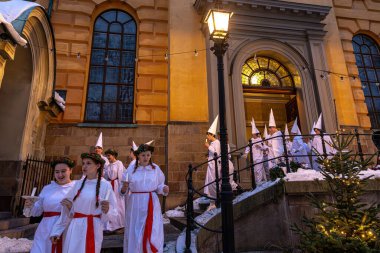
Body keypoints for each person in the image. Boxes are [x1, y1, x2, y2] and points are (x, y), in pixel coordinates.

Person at [50, 153, 117, 253]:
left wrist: (107, 210)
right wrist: (57, 231)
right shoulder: (77, 184)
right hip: (75, 227)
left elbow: (114, 212)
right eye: (83, 163)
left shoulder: (105, 185)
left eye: (88, 163)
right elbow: (66, 213)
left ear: (98, 166)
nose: (84, 166)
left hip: (93, 227)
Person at [120, 143, 169, 253]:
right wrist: (124, 188)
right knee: (135, 227)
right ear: (138, 156)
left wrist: (164, 188)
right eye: (143, 155)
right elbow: (123, 189)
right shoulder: (131, 170)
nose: (146, 158)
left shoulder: (155, 169)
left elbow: (159, 185)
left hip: (151, 201)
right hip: (135, 203)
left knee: (152, 228)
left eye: (148, 155)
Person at [23, 157, 76, 253]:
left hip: (65, 227)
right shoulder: (47, 188)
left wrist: (71, 207)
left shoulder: (76, 188)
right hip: (45, 228)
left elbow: (82, 210)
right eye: (57, 172)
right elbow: (38, 210)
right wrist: (30, 205)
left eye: (63, 171)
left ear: (71, 170)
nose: (60, 175)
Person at [104, 149, 125, 234]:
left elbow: (120, 175)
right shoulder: (108, 166)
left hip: (116, 186)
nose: (108, 157)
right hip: (109, 186)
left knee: (119, 204)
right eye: (107, 156)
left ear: (113, 155)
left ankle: (121, 225)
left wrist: (121, 188)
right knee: (111, 205)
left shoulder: (119, 163)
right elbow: (106, 176)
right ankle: (111, 226)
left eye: (109, 155)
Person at [203, 115, 220, 210]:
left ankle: (213, 202)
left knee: (213, 183)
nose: (207, 137)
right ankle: (211, 201)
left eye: (208, 135)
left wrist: (208, 147)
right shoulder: (213, 143)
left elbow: (216, 153)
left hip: (214, 167)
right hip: (211, 166)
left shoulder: (217, 142)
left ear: (211, 135)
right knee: (210, 183)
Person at [243, 117, 267, 184]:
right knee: (254, 171)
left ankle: (259, 183)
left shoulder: (260, 140)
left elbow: (264, 148)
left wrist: (259, 146)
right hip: (253, 158)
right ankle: (256, 183)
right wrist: (246, 153)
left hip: (259, 158)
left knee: (258, 171)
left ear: (256, 134)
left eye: (254, 134)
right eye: (252, 134)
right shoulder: (251, 140)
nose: (253, 135)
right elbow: (248, 148)